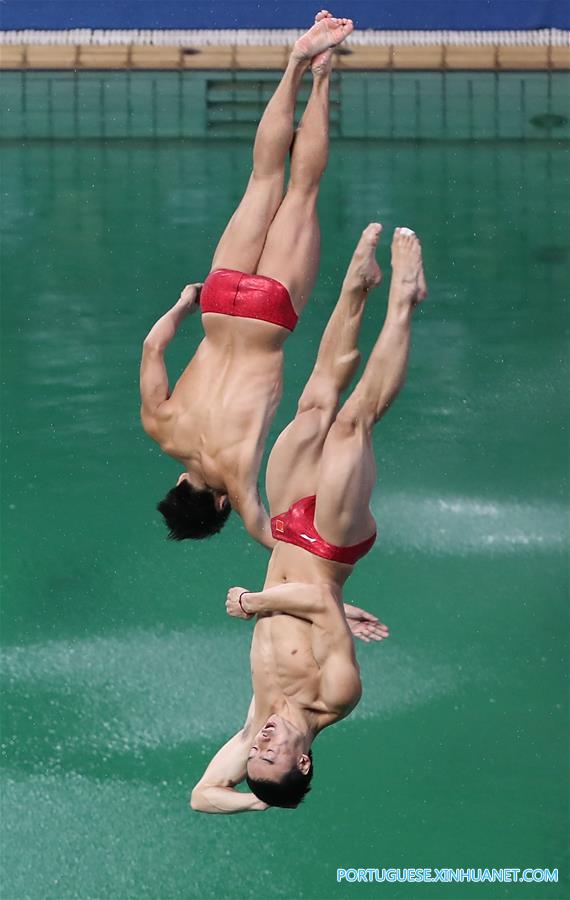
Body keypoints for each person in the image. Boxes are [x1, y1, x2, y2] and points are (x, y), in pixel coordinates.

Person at [190, 223, 427, 812]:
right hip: (329, 547)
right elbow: (317, 604)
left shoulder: (258, 721)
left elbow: (202, 795)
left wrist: (264, 798)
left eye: (255, 758)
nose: (262, 743)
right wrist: (254, 604)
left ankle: (358, 286)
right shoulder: (336, 696)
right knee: (352, 423)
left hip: (287, 536)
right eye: (272, 756)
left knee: (316, 404)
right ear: (304, 759)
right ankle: (403, 300)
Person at [139, 11, 354, 547]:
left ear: (216, 504)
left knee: (303, 190)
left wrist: (324, 599)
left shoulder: (234, 480)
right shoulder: (160, 430)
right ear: (175, 484)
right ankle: (296, 64)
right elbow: (152, 346)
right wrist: (185, 304)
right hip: (216, 303)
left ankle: (325, 75)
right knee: (264, 176)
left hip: (267, 316)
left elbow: (271, 536)